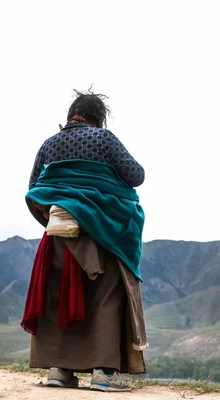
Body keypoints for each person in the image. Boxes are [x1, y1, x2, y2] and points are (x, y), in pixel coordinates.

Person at [22, 89, 148, 392]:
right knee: (105, 297)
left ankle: (59, 370)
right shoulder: (104, 139)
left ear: (70, 118)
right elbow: (136, 175)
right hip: (100, 232)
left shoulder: (49, 145)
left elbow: (35, 187)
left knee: (58, 297)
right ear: (98, 120)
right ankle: (104, 373)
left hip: (58, 235)